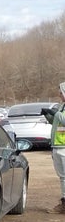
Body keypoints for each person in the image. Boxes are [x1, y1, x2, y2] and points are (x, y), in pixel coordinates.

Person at [47, 82, 65, 214]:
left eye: (61, 92)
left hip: (64, 146)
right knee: (62, 176)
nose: (59, 94)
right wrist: (49, 116)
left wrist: (56, 113)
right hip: (58, 145)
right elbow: (57, 123)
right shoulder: (62, 106)